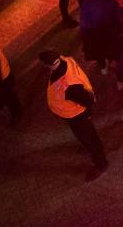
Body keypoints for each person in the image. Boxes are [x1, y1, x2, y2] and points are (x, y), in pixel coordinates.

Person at [38, 50, 108, 181]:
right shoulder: (65, 61)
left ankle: (100, 163)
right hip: (75, 113)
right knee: (88, 135)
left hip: (77, 115)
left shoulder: (69, 85)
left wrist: (86, 111)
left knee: (88, 138)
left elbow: (87, 100)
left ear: (47, 65)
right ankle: (96, 149)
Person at [80, 0, 123, 88]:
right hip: (109, 36)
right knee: (114, 59)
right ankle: (120, 81)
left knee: (99, 53)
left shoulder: (86, 3)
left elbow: (83, 23)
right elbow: (119, 21)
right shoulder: (111, 2)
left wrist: (86, 37)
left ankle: (103, 67)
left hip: (93, 35)